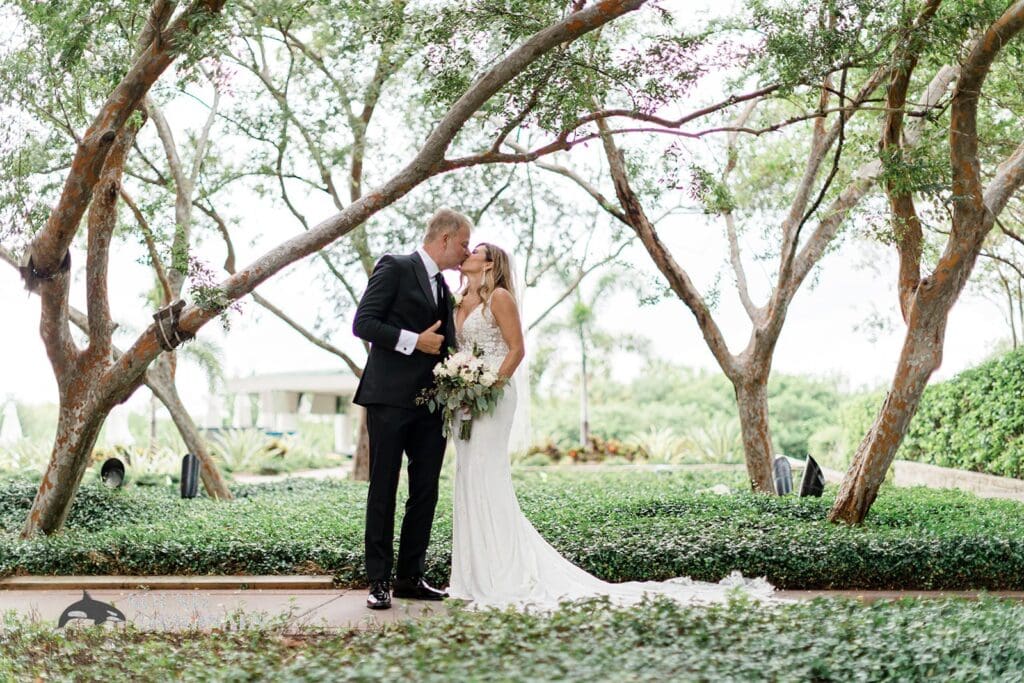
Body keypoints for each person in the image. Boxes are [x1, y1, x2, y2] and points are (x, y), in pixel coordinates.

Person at [447, 242, 775, 609]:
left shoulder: (501, 298)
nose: (466, 254)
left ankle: (503, 573)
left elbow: (516, 349)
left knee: (487, 474)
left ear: (489, 263)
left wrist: (490, 386)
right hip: (463, 400)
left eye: (474, 250)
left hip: (493, 397)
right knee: (466, 476)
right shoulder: (458, 301)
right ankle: (473, 575)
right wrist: (458, 386)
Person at [352, 208, 472, 610]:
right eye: (463, 244)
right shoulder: (396, 266)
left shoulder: (444, 288)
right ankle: (379, 581)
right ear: (445, 239)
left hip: (431, 407)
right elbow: (364, 324)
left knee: (425, 491)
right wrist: (412, 341)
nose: (465, 252)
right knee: (383, 488)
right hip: (388, 400)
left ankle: (410, 577)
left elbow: (447, 345)